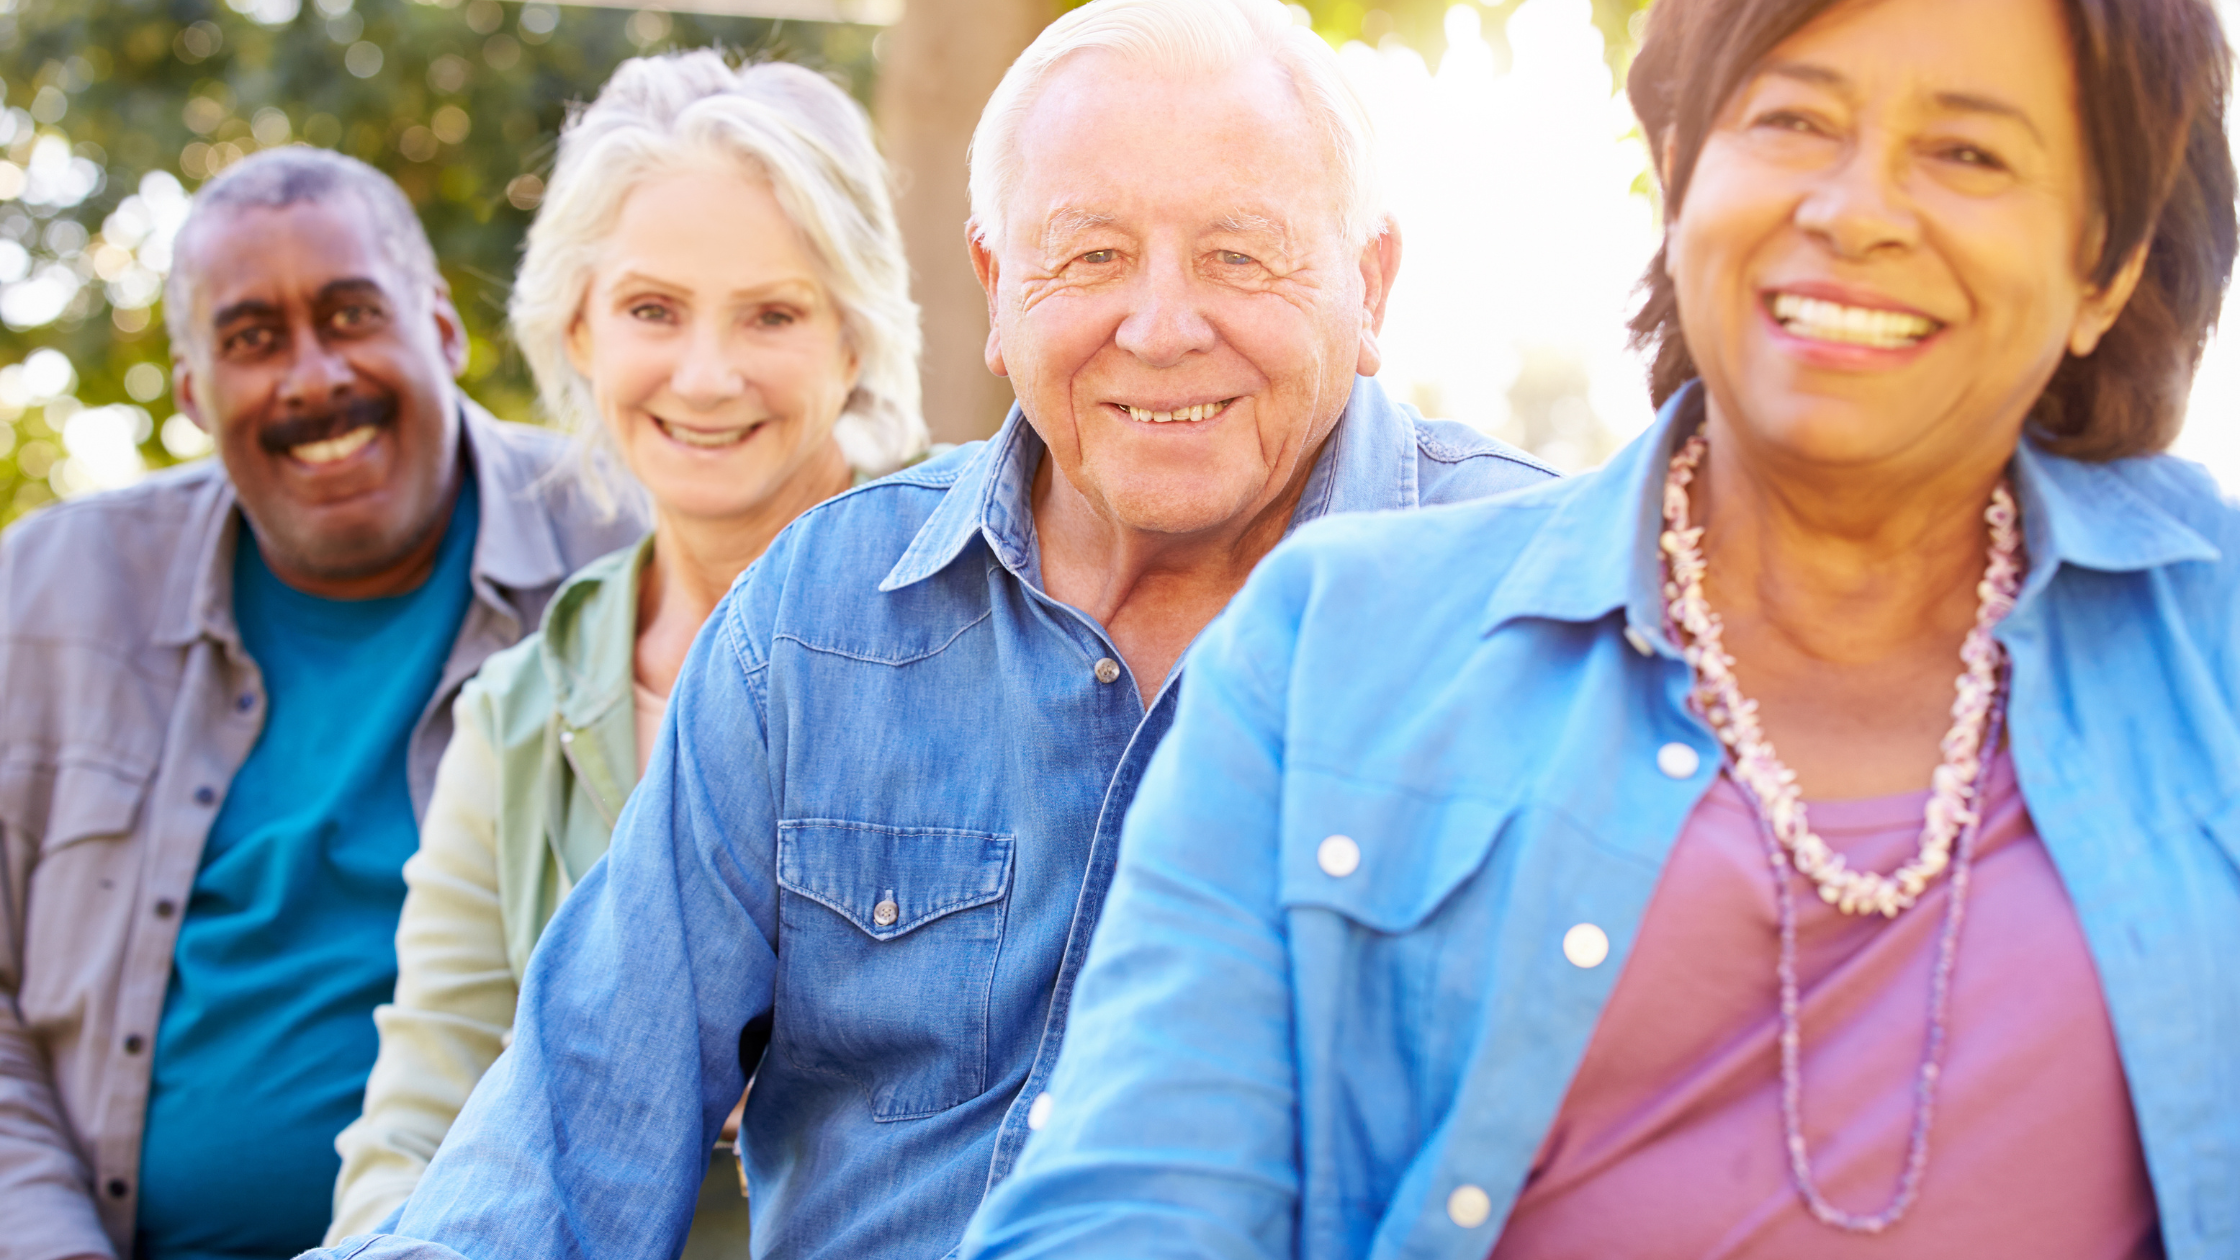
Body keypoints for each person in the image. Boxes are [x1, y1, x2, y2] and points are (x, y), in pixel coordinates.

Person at [957, 0, 2240, 1256]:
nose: (1854, 209)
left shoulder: (2214, 643)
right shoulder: (1329, 650)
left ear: (2104, 267)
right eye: (1792, 118)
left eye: (1967, 152)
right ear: (1678, 176)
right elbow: (1132, 1206)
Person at [308, 2, 1553, 1259]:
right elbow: (566, 1134)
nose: (1163, 325)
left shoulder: (1540, 613)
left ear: (1370, 281)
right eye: (1089, 255)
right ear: (995, 290)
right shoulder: (818, 620)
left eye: (1240, 255)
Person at [324, 51, 923, 1252]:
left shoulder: (988, 632)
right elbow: (418, 1131)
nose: (706, 377)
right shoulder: (516, 713)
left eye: (772, 313)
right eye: (652, 310)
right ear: (577, 329)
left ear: (853, 340)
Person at [0, 148, 644, 1260]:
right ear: (194, 388)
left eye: (352, 315)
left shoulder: (629, 553)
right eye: (253, 339)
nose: (311, 377)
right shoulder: (50, 596)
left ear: (441, 327)